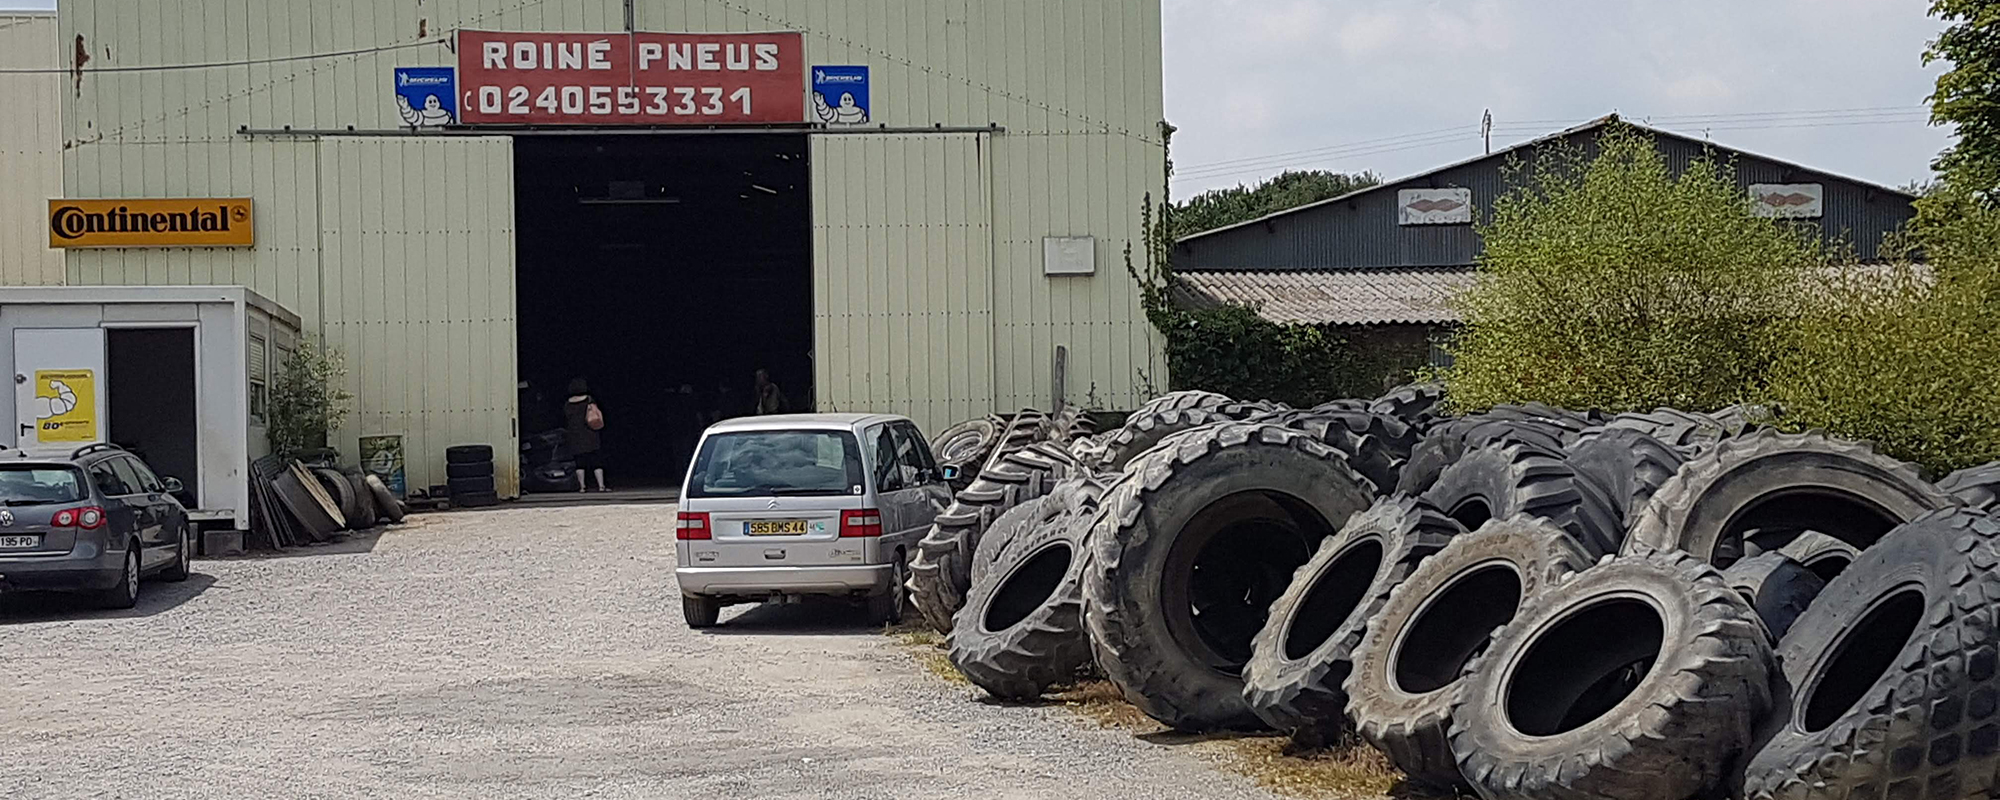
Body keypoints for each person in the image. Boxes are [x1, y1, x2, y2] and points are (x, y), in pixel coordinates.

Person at [564, 378, 607, 492]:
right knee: (596, 460)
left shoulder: (568, 404)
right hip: (590, 433)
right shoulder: (589, 400)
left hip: (575, 434)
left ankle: (582, 487)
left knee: (579, 462)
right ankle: (601, 486)